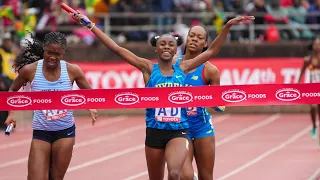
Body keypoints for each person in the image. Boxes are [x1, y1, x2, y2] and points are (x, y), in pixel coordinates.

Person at [72, 11, 254, 180]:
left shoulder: (183, 68)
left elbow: (211, 51)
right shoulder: (148, 68)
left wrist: (227, 26)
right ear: (156, 49)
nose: (166, 47)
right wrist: (90, 25)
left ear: (176, 50)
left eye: (171, 45)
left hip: (180, 130)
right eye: (162, 44)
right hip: (155, 130)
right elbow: (116, 48)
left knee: (176, 175)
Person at [4, 32, 98, 180]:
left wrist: (90, 106)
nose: (53, 57)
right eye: (49, 53)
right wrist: (11, 114)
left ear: (63, 53)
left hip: (65, 132)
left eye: (57, 54)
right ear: (44, 49)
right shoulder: (30, 70)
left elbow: (90, 94)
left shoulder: (73, 71)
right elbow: (12, 90)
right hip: (41, 131)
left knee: (55, 177)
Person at [173, 22, 247, 180]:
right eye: (191, 36)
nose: (194, 39)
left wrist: (218, 104)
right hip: (179, 128)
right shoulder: (173, 64)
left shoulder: (210, 71)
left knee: (206, 176)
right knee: (183, 175)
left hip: (202, 127)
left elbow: (218, 103)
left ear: (205, 44)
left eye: (199, 38)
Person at [298, 35, 320, 144]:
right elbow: (302, 71)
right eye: (315, 44)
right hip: (312, 88)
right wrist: (298, 82)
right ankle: (314, 125)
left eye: (319, 44)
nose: (317, 46)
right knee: (313, 107)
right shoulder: (308, 60)